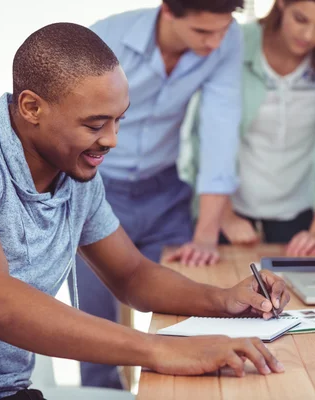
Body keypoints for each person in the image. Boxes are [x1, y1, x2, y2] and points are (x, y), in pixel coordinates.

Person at [0, 22, 291, 400]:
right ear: (32, 107)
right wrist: (157, 349)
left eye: (119, 120)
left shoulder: (74, 173)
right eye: (95, 124)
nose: (112, 140)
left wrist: (224, 300)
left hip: (6, 391)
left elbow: (131, 275)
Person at [74, 0, 244, 387]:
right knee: (95, 325)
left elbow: (222, 126)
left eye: (222, 30)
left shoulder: (226, 37)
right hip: (97, 185)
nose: (215, 42)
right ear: (168, 11)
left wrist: (206, 232)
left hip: (164, 191)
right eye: (203, 32)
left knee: (180, 307)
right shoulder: (106, 37)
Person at [181, 0, 315, 256]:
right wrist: (225, 216)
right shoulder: (237, 41)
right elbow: (206, 136)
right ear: (282, 4)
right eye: (300, 19)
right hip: (231, 208)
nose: (309, 36)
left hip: (300, 214)